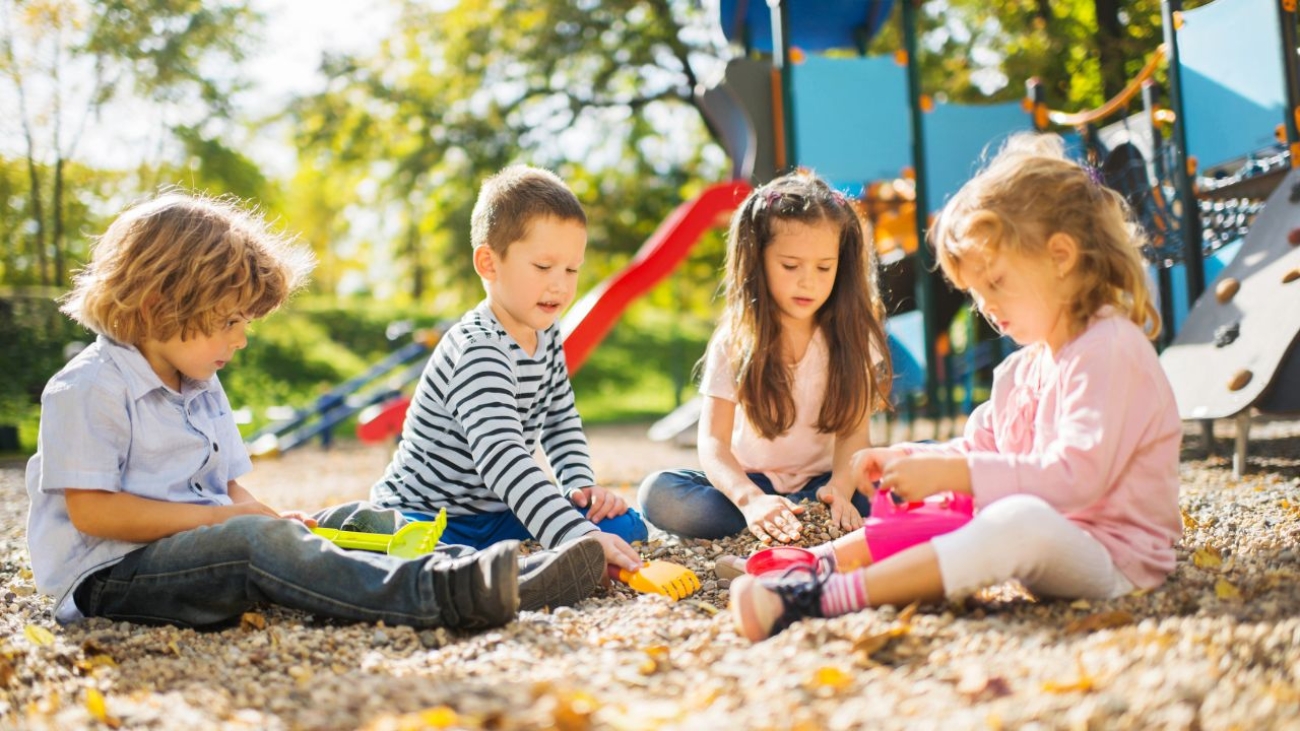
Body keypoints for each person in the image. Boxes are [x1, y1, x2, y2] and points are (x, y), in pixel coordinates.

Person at [25, 192, 606, 629]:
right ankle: (448, 595)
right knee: (256, 546)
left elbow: (229, 492)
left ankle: (486, 570)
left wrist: (277, 518)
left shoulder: (199, 381)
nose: (242, 340)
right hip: (114, 578)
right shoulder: (90, 386)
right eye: (231, 322)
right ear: (157, 306)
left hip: (205, 546)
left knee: (349, 519)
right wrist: (234, 525)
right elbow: (95, 513)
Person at [730, 133, 1184, 641]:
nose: (986, 306)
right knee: (941, 493)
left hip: (1114, 558)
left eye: (996, 283)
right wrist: (909, 457)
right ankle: (817, 563)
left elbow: (1077, 476)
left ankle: (823, 597)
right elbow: (980, 449)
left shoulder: (1109, 348)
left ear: (1060, 257)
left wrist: (955, 469)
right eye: (976, 292)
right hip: (1044, 538)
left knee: (1012, 513)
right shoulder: (1022, 368)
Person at [370, 166, 644, 573]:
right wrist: (577, 535)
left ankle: (506, 561)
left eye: (572, 270)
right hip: (424, 514)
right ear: (489, 263)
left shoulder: (546, 336)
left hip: (497, 511)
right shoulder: (479, 348)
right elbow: (504, 457)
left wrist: (579, 486)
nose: (561, 285)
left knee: (626, 526)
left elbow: (559, 420)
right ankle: (484, 571)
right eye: (543, 267)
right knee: (425, 564)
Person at [637, 172, 892, 543]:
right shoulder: (735, 340)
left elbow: (854, 434)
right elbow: (713, 443)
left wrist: (841, 488)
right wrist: (751, 500)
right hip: (752, 483)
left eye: (824, 267)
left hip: (828, 484)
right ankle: (778, 516)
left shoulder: (854, 336)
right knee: (659, 493)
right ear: (758, 261)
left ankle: (807, 513)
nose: (809, 281)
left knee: (923, 469)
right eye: (790, 266)